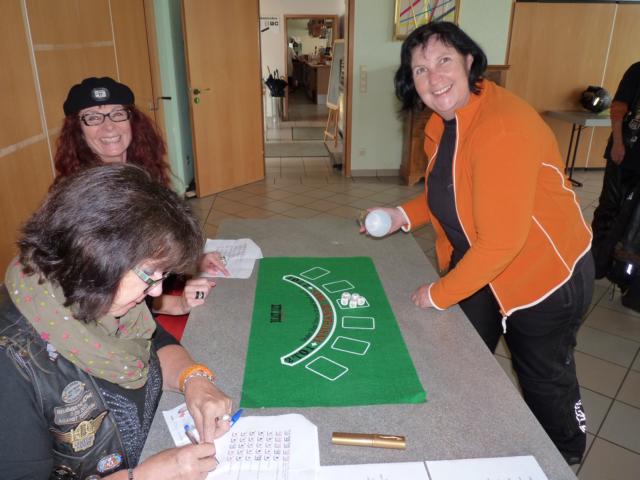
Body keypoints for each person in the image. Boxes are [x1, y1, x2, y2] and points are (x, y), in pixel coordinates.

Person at [361, 22, 594, 464]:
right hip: (483, 266)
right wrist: (402, 215)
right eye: (420, 70)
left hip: (544, 278)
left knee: (544, 380)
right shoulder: (443, 122)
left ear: (469, 61)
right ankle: (465, 433)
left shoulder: (501, 127)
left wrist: (438, 293)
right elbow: (449, 191)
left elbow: (503, 242)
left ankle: (564, 458)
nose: (434, 78)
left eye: (444, 60)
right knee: (460, 354)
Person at [0, 164, 233, 480]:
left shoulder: (102, 291)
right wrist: (143, 477)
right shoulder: (10, 363)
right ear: (96, 254)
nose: (158, 291)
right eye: (149, 274)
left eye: (163, 274)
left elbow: (155, 341)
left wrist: (193, 380)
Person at [54, 76, 229, 321]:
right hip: (122, 319)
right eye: (93, 117)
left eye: (117, 114)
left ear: (132, 120)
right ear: (78, 130)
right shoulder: (82, 199)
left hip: (154, 293)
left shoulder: (143, 172)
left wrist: (194, 260)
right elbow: (110, 294)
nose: (109, 127)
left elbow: (153, 245)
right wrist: (176, 303)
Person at [591, 62, 640, 279]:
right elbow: (618, 108)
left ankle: (621, 271)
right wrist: (618, 143)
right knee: (609, 208)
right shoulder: (637, 70)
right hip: (625, 151)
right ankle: (596, 263)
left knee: (633, 219)